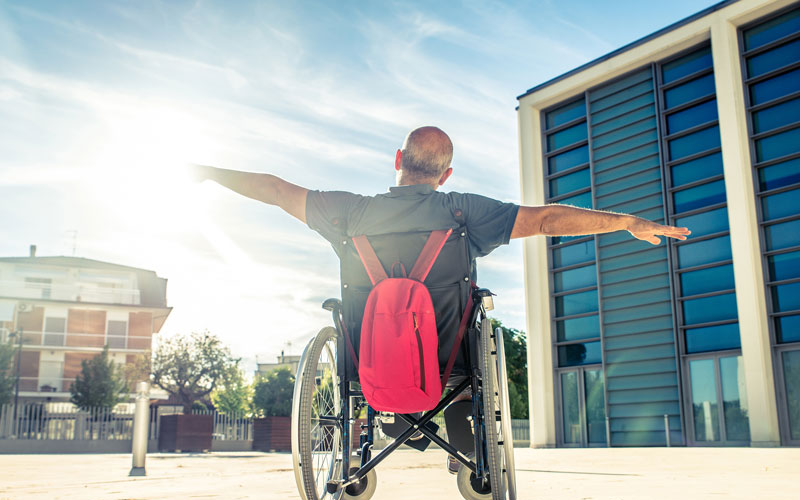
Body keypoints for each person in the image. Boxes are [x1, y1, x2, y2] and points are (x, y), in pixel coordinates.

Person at [191, 126, 689, 469]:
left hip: (366, 361)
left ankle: (373, 437)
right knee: (467, 352)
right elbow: (545, 218)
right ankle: (465, 450)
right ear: (445, 175)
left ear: (397, 162)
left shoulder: (347, 212)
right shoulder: (463, 212)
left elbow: (277, 189)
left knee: (380, 351)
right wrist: (626, 222)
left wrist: (210, 173)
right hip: (447, 362)